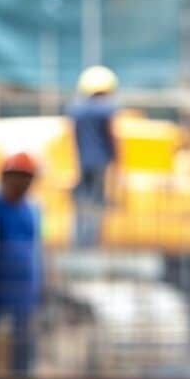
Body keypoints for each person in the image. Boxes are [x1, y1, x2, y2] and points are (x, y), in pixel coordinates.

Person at [0, 151, 42, 378]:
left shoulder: (32, 211)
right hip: (1, 289)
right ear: (6, 178)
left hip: (24, 294)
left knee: (22, 352)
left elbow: (37, 250)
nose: (23, 183)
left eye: (27, 178)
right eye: (18, 177)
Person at [69, 65, 118, 247]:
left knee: (81, 201)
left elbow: (73, 136)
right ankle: (90, 242)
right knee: (97, 202)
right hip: (100, 162)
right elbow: (112, 135)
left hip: (82, 161)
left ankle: (78, 240)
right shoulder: (106, 109)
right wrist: (119, 158)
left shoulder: (77, 110)